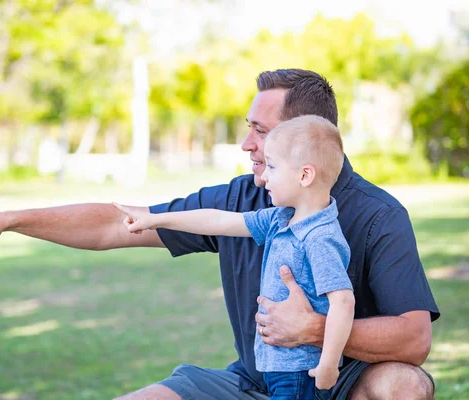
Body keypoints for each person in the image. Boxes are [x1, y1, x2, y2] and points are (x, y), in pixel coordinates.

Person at [0, 68, 439, 400]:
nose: (246, 145)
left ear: (302, 141)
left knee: (402, 386)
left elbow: (414, 339)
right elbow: (114, 222)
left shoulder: (376, 215)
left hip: (337, 383)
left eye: (260, 132)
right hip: (252, 382)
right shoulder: (248, 200)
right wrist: (9, 220)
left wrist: (313, 329)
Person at [114, 115, 355, 400]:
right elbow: (219, 221)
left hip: (300, 375)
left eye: (273, 167)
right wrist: (157, 219)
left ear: (305, 175)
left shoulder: (319, 237)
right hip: (279, 371)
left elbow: (343, 301)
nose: (264, 176)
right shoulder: (280, 219)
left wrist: (328, 364)